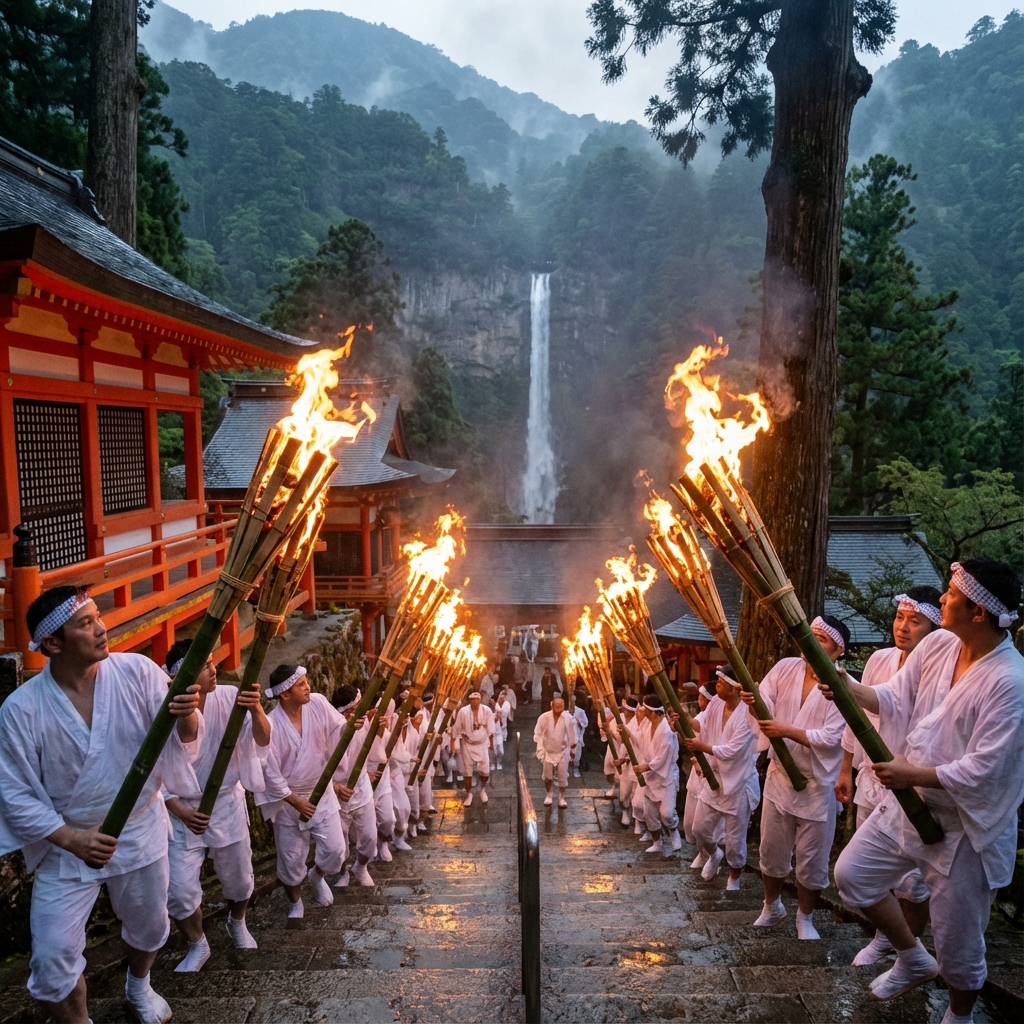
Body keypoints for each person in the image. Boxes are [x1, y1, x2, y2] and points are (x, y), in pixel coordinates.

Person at [829, 558, 1023, 1023]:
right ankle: (912, 956)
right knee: (852, 876)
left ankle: (959, 1015)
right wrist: (842, 682)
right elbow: (893, 697)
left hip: (966, 825)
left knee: (959, 944)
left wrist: (911, 774)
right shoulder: (938, 644)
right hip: (912, 802)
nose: (941, 599)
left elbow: (986, 769)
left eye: (951, 594)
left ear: (978, 612)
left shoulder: (1011, 681)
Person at [0, 586, 201, 1024]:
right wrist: (72, 839)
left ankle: (139, 984)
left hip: (138, 827)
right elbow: (13, 791)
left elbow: (184, 740)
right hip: (67, 842)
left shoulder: (138, 672)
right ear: (53, 643)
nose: (101, 628)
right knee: (51, 961)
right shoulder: (21, 709)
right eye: (86, 623)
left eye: (98, 617)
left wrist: (187, 713)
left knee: (150, 926)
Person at [835, 586, 942, 967]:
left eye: (916, 621)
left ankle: (907, 950)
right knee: (870, 873)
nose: (903, 627)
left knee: (912, 883)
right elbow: (861, 715)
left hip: (913, 781)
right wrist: (846, 768)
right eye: (899, 618)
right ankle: (888, 940)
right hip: (873, 777)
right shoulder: (881, 659)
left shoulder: (942, 668)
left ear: (935, 630)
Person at [161, 638, 271, 972]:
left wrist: (256, 709)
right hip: (182, 808)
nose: (214, 669)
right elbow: (152, 767)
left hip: (224, 802)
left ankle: (237, 921)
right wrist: (177, 808)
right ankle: (198, 943)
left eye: (212, 662)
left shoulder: (230, 697)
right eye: (205, 665)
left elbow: (264, 739)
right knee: (179, 892)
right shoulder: (163, 706)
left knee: (239, 879)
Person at [743, 615, 848, 940]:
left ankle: (805, 917)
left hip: (817, 785)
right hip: (780, 777)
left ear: (838, 650)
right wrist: (754, 703)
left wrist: (785, 729)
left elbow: (833, 737)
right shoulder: (786, 667)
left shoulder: (841, 685)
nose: (812, 643)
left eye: (822, 639)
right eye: (810, 636)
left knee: (812, 858)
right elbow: (765, 703)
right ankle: (771, 905)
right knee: (772, 849)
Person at [258, 664, 347, 920]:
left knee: (336, 850)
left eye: (306, 682)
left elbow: (338, 729)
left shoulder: (317, 703)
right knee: (291, 860)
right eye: (301, 685)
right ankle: (295, 902)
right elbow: (269, 769)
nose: (308, 687)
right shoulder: (271, 724)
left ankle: (317, 875)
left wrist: (352, 726)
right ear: (285, 694)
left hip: (321, 791)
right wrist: (294, 800)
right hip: (289, 799)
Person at [686, 671, 760, 890]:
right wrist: (684, 722)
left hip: (739, 783)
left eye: (721, 681)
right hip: (715, 778)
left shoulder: (748, 713)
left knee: (735, 840)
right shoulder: (716, 704)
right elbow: (704, 728)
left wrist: (702, 747)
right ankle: (714, 853)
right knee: (699, 829)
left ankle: (734, 877)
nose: (716, 684)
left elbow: (732, 751)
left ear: (735, 687)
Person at [332, 686, 377, 887]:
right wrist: (335, 787)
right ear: (349, 710)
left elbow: (373, 748)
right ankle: (343, 873)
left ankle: (361, 866)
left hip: (361, 787)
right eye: (357, 706)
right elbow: (318, 764)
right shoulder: (331, 727)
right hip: (336, 791)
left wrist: (379, 727)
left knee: (369, 836)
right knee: (339, 841)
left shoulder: (365, 721)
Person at [632, 694, 682, 857]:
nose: (642, 710)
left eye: (644, 708)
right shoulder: (648, 725)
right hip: (650, 777)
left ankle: (673, 830)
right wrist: (625, 732)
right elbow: (640, 741)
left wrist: (646, 766)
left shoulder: (667, 730)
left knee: (667, 813)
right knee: (650, 814)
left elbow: (663, 756)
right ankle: (657, 842)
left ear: (652, 711)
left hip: (665, 775)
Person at [451, 691, 495, 806]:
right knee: (468, 772)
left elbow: (491, 728)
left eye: (476, 699)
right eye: (472, 699)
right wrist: (452, 744)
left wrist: (491, 743)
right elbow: (456, 728)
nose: (474, 701)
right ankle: (469, 793)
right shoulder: (463, 711)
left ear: (480, 700)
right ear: (469, 700)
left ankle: (482, 789)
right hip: (467, 744)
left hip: (482, 744)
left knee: (485, 772)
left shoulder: (487, 711)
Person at [534, 696, 577, 808]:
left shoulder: (568, 718)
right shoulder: (544, 717)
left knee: (562, 777)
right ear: (552, 705)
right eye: (556, 706)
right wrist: (540, 748)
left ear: (563, 706)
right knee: (547, 777)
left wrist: (573, 750)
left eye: (561, 706)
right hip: (548, 751)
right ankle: (549, 794)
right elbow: (538, 734)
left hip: (563, 751)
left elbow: (573, 735)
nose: (559, 708)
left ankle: (562, 797)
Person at [570, 691, 589, 777]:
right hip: (567, 736)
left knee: (577, 753)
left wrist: (578, 722)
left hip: (577, 735)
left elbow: (585, 723)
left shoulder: (580, 711)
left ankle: (576, 768)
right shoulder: (564, 712)